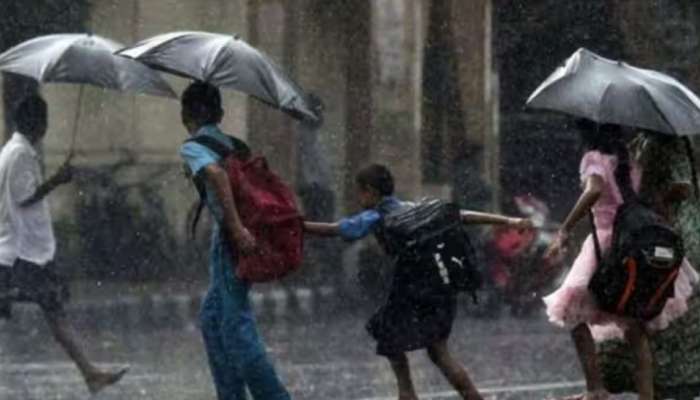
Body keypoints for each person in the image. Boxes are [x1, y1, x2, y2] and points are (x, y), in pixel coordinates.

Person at [303, 164, 531, 400]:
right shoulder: (415, 208)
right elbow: (462, 215)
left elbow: (336, 229)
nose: (358, 197)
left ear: (370, 191)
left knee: (391, 339)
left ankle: (407, 394)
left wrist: (298, 226)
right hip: (439, 286)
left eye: (359, 191)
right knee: (438, 352)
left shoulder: (375, 216)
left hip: (411, 288)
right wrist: (508, 221)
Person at [542, 122, 699, 400]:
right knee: (634, 324)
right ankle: (646, 395)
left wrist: (565, 228)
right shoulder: (627, 158)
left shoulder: (593, 158)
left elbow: (593, 191)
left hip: (607, 242)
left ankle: (595, 389)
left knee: (573, 315)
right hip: (633, 238)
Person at [0, 94, 127, 394]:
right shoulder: (19, 153)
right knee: (52, 309)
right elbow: (23, 197)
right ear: (37, 123)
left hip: (21, 250)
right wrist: (57, 180)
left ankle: (90, 373)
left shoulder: (13, 150)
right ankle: (90, 372)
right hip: (21, 252)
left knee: (53, 309)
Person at [179, 81, 292, 400]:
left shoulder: (193, 146)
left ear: (186, 114)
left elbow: (216, 176)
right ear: (221, 113)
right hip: (230, 235)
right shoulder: (233, 144)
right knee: (212, 320)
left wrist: (237, 228)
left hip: (231, 238)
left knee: (235, 327)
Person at [597, 132, 700, 399]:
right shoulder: (642, 143)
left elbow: (681, 186)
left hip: (669, 235)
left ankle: (666, 382)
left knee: (661, 310)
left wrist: (654, 200)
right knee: (650, 309)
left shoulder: (666, 144)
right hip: (656, 232)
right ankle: (657, 382)